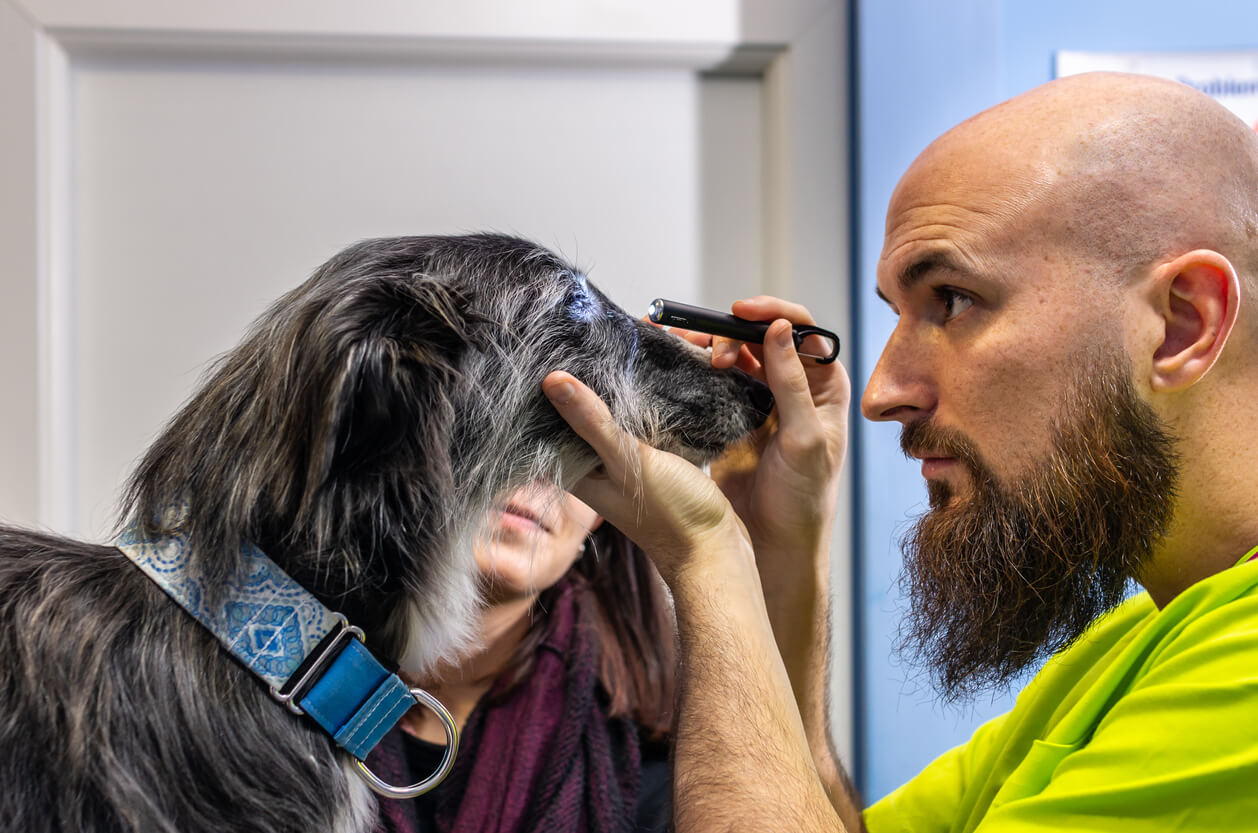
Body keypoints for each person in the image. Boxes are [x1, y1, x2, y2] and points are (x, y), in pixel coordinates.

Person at [543, 70, 1258, 832]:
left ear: (1183, 324)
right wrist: (774, 547)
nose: (881, 390)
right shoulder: (1146, 636)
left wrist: (704, 554)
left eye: (952, 299)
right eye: (899, 312)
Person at [369, 482, 675, 833]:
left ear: (598, 518)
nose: (543, 476)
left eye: (578, 453)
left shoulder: (652, 777)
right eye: (518, 430)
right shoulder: (297, 671)